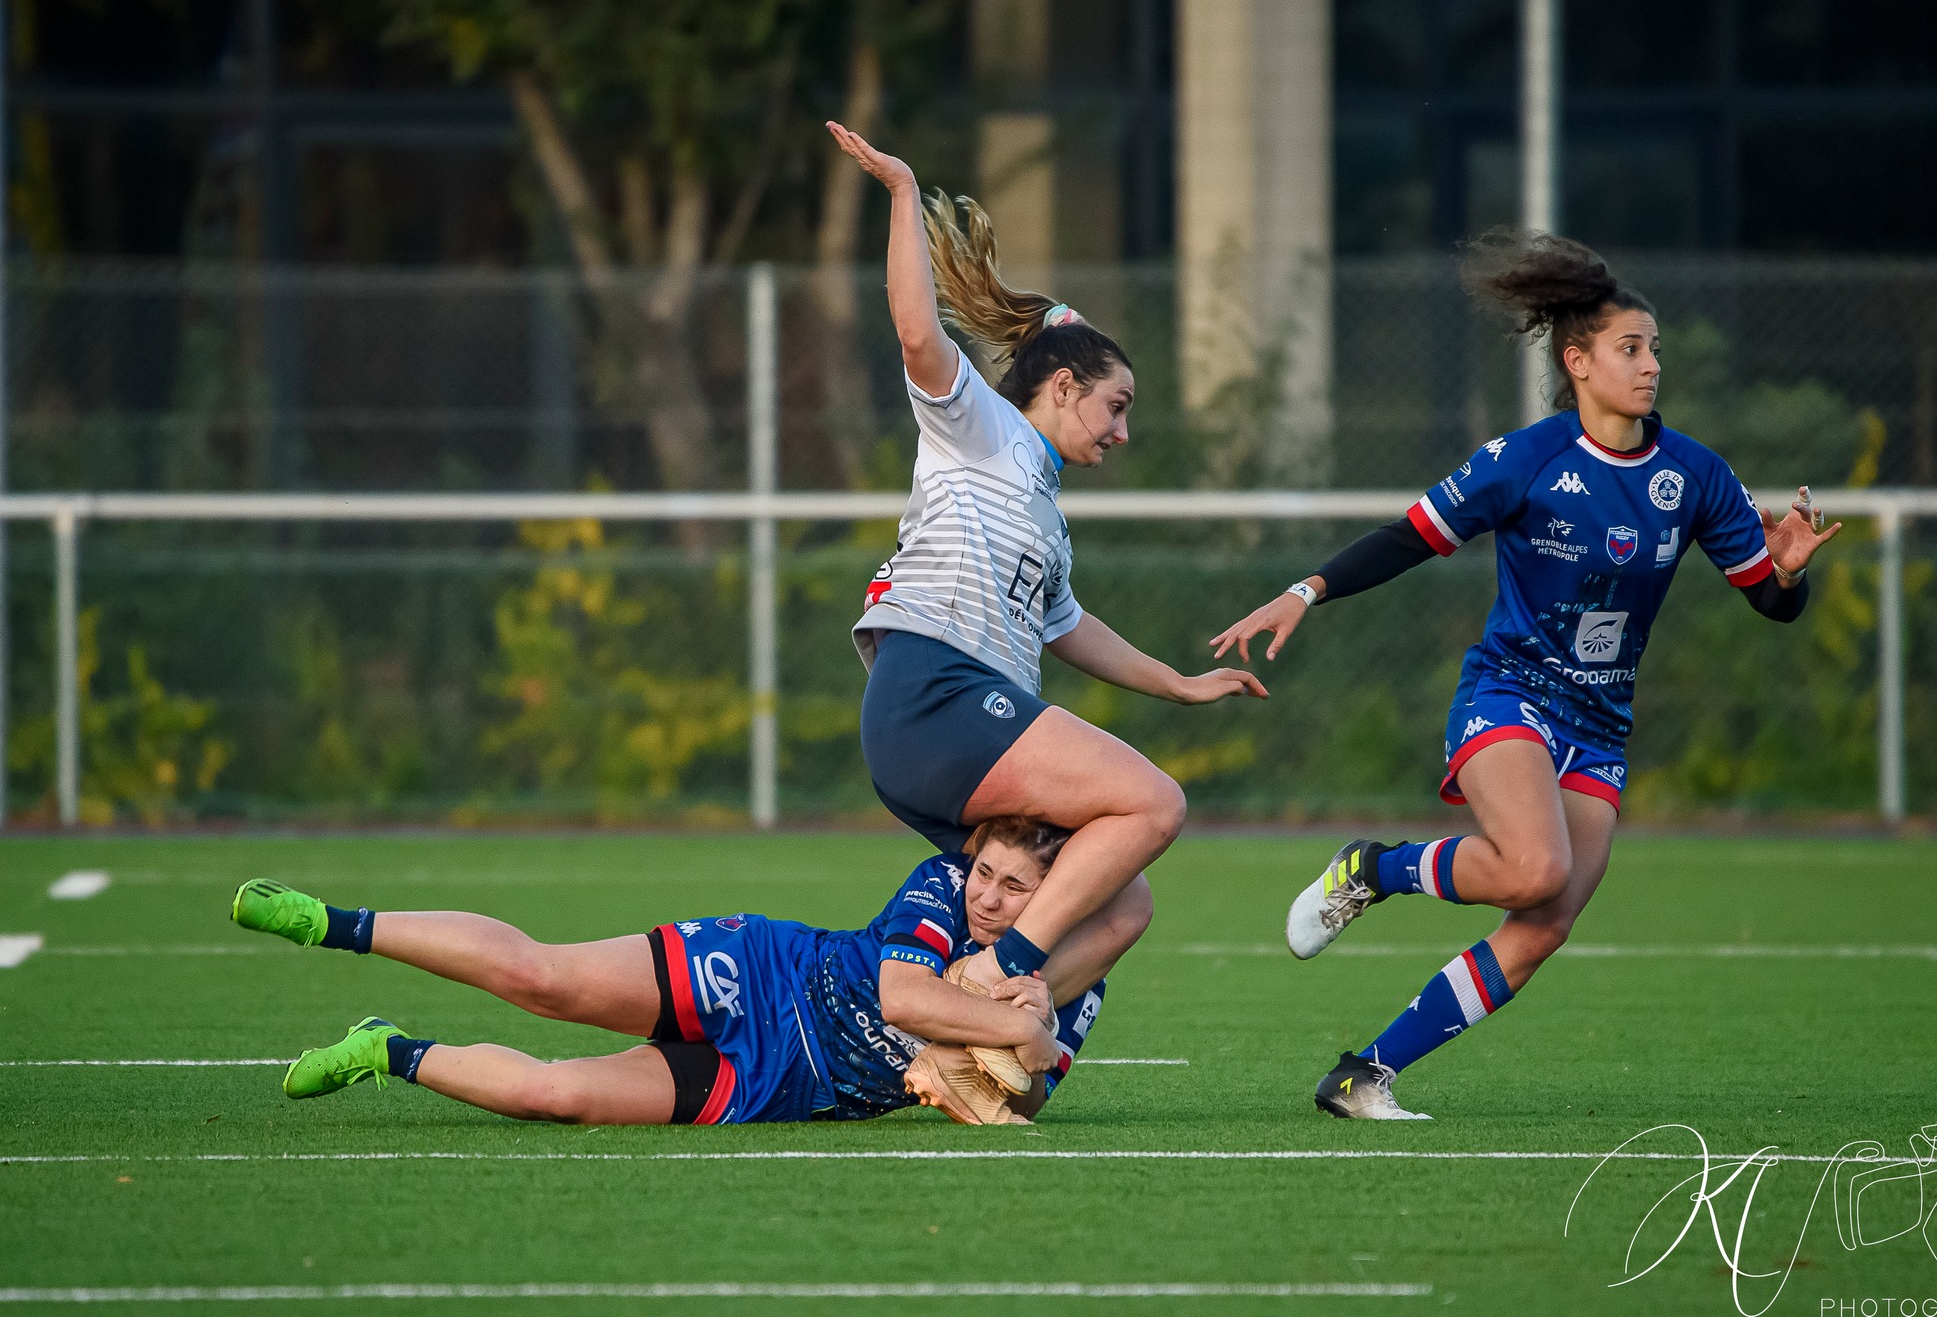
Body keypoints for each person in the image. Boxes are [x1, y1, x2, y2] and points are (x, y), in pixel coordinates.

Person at [1208, 231, 1841, 1120]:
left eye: (1653, 347)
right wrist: (1304, 591)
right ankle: (1375, 870)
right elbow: (1409, 538)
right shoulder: (1527, 458)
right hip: (1510, 694)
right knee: (1536, 865)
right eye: (1631, 348)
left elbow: (1771, 608)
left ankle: (1363, 1075)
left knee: (1542, 922)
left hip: (1601, 724)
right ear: (1577, 361)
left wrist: (1788, 572)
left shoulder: (1696, 475)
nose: (1651, 364)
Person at [827, 120, 1265, 1008]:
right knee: (1153, 804)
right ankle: (993, 975)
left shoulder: (1042, 511)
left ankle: (971, 1037)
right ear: (1062, 386)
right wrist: (906, 194)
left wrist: (1178, 685)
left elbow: (1068, 626)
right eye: (1116, 404)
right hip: (935, 696)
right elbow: (918, 336)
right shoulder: (982, 429)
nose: (1125, 430)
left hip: (955, 726)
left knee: (1121, 901)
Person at [230, 816, 1110, 1126]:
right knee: (545, 979)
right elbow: (898, 993)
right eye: (987, 872)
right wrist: (1015, 1027)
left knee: (560, 1097)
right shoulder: (945, 884)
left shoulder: (1079, 981)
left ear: (1055, 893)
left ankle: (387, 1051)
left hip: (783, 1086)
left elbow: (1023, 1103)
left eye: (1016, 885)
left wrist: (1010, 1064)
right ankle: (330, 923)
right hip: (766, 973)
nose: (989, 896)